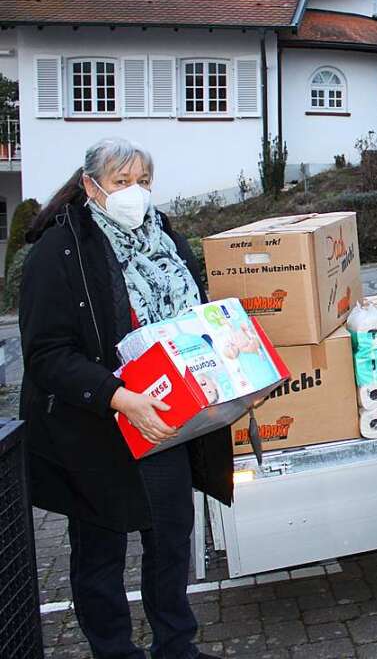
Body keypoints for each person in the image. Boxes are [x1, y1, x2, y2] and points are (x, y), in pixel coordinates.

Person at [19, 138, 231, 659]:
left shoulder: (167, 240)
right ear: (91, 186)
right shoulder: (58, 250)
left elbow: (193, 319)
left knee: (171, 537)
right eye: (121, 182)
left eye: (143, 181)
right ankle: (113, 650)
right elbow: (46, 355)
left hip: (164, 419)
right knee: (100, 552)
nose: (135, 193)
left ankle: (175, 645)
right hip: (94, 425)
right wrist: (118, 396)